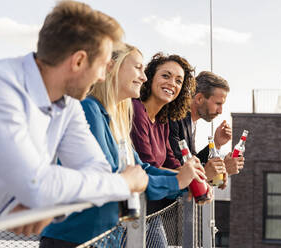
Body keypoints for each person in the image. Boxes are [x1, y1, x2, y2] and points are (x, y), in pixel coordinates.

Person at [0, 1, 148, 245]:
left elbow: (96, 170)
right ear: (78, 61)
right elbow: (37, 183)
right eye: (102, 66)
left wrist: (48, 204)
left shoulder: (69, 105)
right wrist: (123, 183)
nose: (101, 76)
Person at [40, 44, 205, 247]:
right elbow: (115, 178)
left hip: (105, 240)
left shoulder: (117, 118)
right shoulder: (89, 110)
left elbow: (141, 169)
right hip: (74, 239)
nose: (144, 77)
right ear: (112, 67)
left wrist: (189, 182)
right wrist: (177, 182)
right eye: (137, 68)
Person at [130, 53, 212, 247]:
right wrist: (186, 178)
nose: (172, 83)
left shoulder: (162, 120)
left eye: (178, 80)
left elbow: (169, 161)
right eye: (165, 76)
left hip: (150, 212)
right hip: (132, 213)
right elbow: (148, 165)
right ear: (149, 78)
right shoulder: (136, 110)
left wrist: (194, 177)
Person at [169, 71, 245, 182]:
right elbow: (182, 170)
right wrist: (223, 169)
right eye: (218, 104)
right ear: (199, 99)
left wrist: (216, 143)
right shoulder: (175, 118)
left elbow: (193, 161)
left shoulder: (190, 121)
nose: (220, 111)